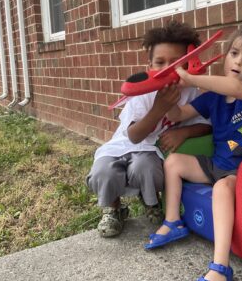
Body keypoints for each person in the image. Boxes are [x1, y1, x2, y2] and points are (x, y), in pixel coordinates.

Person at [145, 23, 242, 281]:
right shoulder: (213, 97)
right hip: (218, 165)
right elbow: (179, 114)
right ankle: (172, 222)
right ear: (226, 55)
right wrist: (166, 90)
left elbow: (234, 86)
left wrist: (192, 80)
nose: (238, 61)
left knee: (221, 189)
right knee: (175, 162)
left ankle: (220, 267)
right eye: (234, 53)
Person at [86, 21, 211, 238]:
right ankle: (114, 209)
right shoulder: (142, 93)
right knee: (103, 172)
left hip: (151, 151)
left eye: (175, 63)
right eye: (159, 62)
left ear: (188, 64)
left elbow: (206, 125)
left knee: (148, 169)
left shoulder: (191, 92)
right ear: (149, 66)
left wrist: (185, 132)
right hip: (123, 145)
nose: (167, 69)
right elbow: (134, 136)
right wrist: (159, 108)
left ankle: (150, 201)